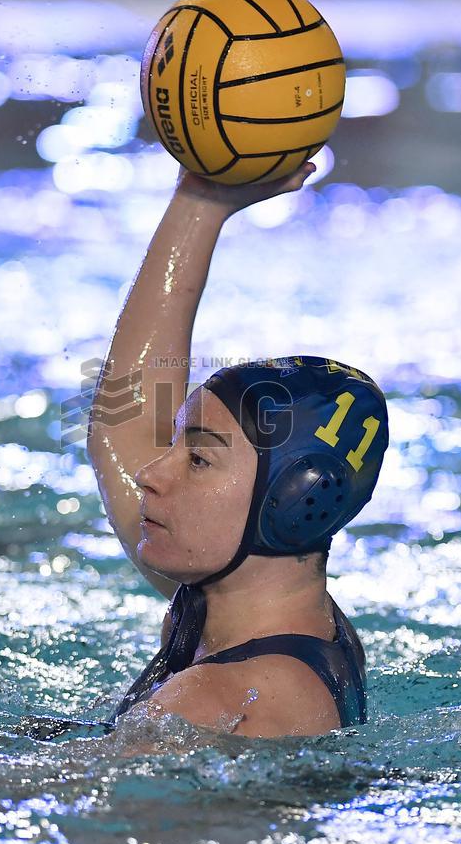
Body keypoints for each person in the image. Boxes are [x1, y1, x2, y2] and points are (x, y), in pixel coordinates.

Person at [83, 162, 389, 740]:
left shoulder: (216, 702)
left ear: (293, 499)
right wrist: (201, 201)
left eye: (198, 459)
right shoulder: (293, 626)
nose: (150, 473)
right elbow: (125, 424)